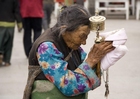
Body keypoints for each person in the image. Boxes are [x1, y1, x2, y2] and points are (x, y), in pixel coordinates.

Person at [23, 5, 115, 99]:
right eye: (82, 36)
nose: (84, 42)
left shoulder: (72, 45)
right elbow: (68, 86)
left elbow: (86, 66)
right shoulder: (46, 47)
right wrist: (91, 60)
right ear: (64, 29)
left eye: (86, 37)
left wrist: (99, 58)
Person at [0, 0, 22, 66]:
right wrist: (19, 23)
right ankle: (7, 61)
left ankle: (0, 53)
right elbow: (16, 11)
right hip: (10, 24)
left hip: (0, 23)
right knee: (9, 44)